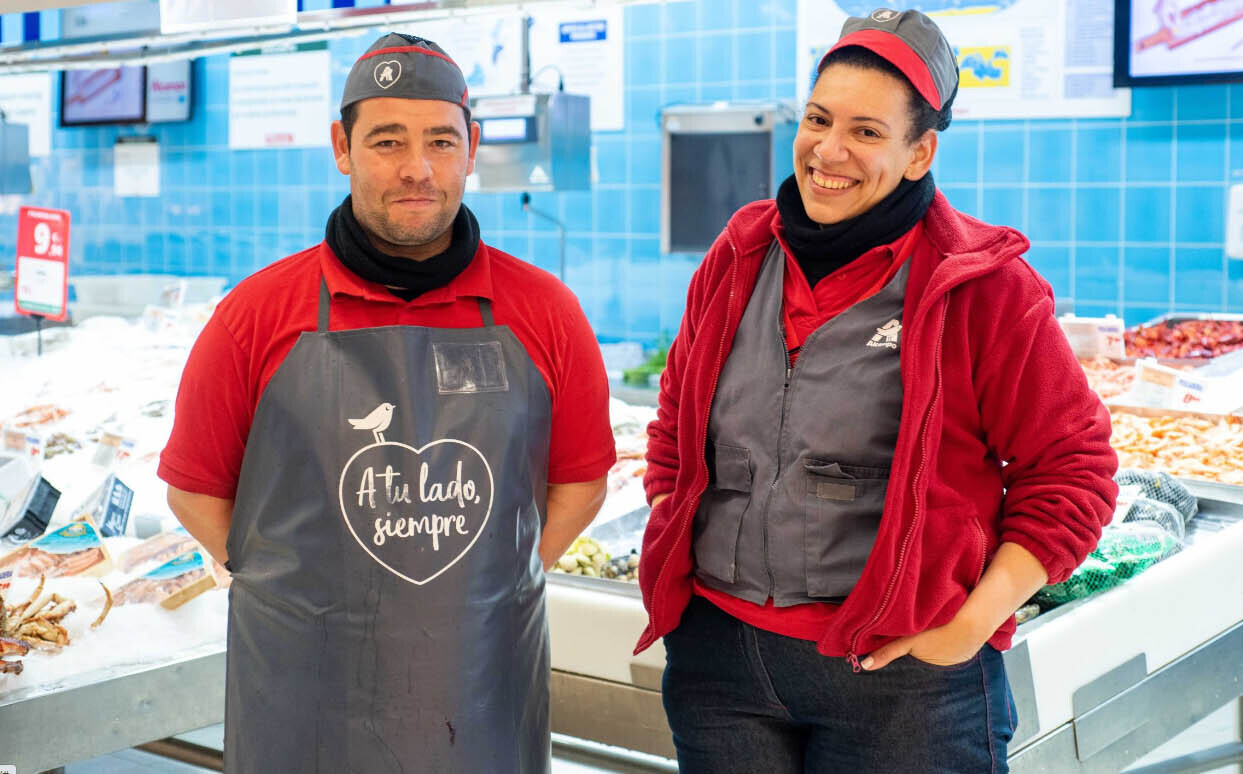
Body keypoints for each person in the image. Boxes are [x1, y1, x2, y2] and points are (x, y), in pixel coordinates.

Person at [635, 8, 1118, 772]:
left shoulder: (981, 289)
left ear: (920, 152)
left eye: (865, 131)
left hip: (903, 687)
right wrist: (673, 541)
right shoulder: (735, 258)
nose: (828, 150)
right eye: (819, 119)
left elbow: (1071, 472)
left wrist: (967, 629)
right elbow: (673, 430)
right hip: (720, 667)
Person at [159, 32, 614, 773]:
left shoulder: (544, 311)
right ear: (341, 147)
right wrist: (294, 587)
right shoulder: (255, 314)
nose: (417, 169)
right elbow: (195, 489)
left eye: (440, 140)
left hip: (479, 689)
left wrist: (483, 583)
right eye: (386, 141)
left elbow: (581, 480)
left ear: (470, 149)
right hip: (300, 695)